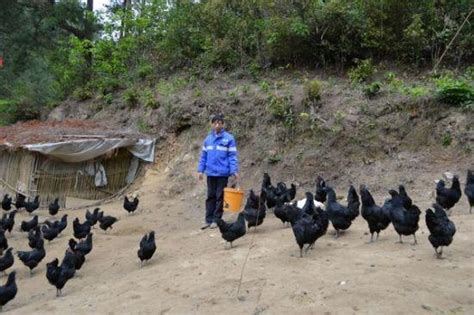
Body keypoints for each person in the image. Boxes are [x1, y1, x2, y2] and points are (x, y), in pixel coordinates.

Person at [197, 114, 239, 229]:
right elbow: (203, 157)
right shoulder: (208, 139)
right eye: (214, 123)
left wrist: (234, 170)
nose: (217, 125)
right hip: (210, 173)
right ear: (212, 124)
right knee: (210, 196)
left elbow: (232, 156)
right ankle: (208, 219)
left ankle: (216, 219)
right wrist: (200, 170)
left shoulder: (229, 139)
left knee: (220, 196)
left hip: (222, 173)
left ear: (223, 124)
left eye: (219, 123)